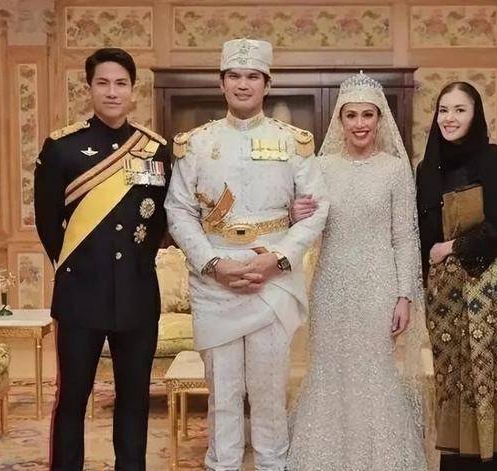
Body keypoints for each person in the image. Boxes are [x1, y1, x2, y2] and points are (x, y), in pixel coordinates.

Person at [164, 38, 328, 471]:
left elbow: (317, 209)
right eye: (234, 76)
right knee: (222, 392)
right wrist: (215, 264)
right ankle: (223, 464)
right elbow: (178, 211)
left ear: (267, 84)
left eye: (252, 76)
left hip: (272, 277)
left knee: (269, 391)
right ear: (221, 83)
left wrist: (276, 259)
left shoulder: (293, 142)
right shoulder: (196, 144)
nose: (242, 84)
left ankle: (274, 464)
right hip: (214, 280)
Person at [34, 47, 171, 470]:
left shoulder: (155, 150)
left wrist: (132, 265)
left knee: (134, 399)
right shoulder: (61, 147)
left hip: (137, 293)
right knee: (72, 398)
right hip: (81, 294)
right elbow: (47, 223)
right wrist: (83, 269)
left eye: (121, 83)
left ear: (133, 90)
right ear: (89, 88)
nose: (112, 92)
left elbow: (162, 219)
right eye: (103, 83)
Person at [287, 72, 429, 470]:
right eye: (352, 115)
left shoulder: (395, 170)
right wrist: (295, 214)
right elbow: (307, 227)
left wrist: (404, 295)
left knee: (374, 370)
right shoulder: (320, 167)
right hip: (330, 284)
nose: (360, 123)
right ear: (340, 120)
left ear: (380, 118)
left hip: (378, 286)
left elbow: (405, 237)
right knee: (328, 370)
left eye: (368, 114)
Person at [416, 81, 497, 471]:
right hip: (444, 298)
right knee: (452, 381)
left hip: (487, 288)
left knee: (486, 378)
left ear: (475, 114)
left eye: (460, 110)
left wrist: (451, 247)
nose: (449, 118)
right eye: (443, 110)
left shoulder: (493, 160)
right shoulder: (427, 169)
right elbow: (421, 234)